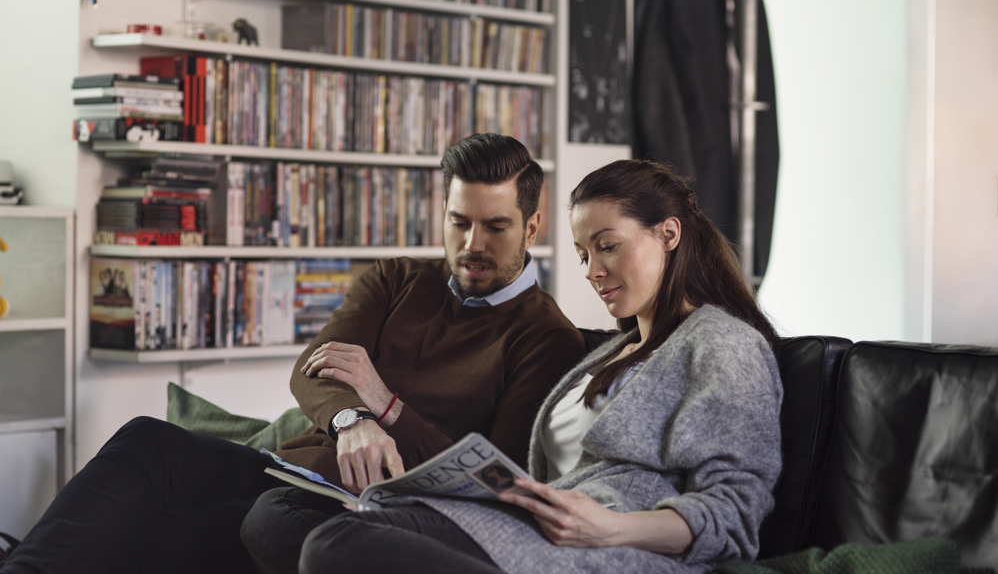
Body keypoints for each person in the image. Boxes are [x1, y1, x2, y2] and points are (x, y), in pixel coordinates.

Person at [0, 133, 587, 574]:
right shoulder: (397, 279)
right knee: (148, 443)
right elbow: (315, 368)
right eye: (458, 221)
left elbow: (496, 474)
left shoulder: (545, 336)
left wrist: (387, 404)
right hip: (292, 473)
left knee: (183, 534)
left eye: (495, 227)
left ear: (532, 225)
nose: (472, 244)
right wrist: (353, 420)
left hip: (375, 516)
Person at [241, 158, 784, 574]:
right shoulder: (606, 352)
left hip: (605, 552)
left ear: (668, 234)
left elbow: (735, 515)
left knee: (334, 544)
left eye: (608, 247)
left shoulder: (723, 343)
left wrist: (608, 527)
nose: (593, 271)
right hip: (522, 525)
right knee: (280, 518)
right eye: (582, 254)